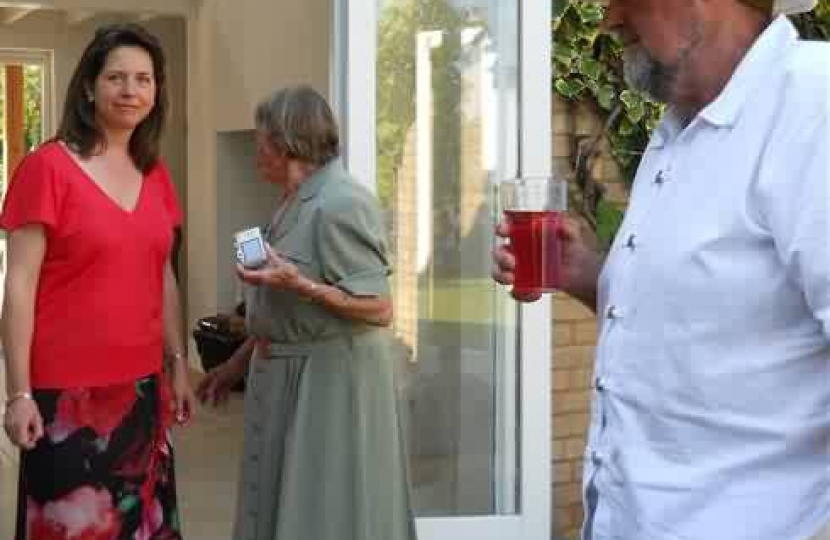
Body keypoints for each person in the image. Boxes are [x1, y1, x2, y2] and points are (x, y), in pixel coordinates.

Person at [494, 1, 828, 540]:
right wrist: (589, 276)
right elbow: (701, 331)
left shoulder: (813, 103)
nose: (608, 19)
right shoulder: (676, 130)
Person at [196, 85, 418, 540]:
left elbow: (380, 308)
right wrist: (235, 363)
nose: (256, 148)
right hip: (288, 379)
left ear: (286, 142)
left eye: (261, 139)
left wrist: (302, 285)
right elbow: (281, 308)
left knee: (327, 513)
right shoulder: (291, 200)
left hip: (330, 388)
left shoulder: (343, 202)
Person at [0, 23, 195, 540]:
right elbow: (18, 286)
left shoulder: (154, 173)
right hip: (66, 398)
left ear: (156, 92)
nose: (131, 90)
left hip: (142, 391)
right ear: (89, 86)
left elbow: (162, 274)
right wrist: (17, 392)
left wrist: (177, 363)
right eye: (116, 77)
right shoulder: (47, 168)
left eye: (143, 79)